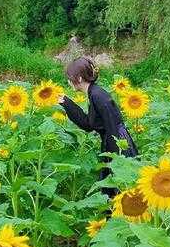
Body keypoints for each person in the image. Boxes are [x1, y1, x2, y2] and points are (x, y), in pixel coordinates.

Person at [56, 56, 137, 198]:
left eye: (70, 78)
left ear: (79, 78)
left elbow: (112, 126)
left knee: (121, 190)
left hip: (117, 144)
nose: (69, 82)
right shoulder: (93, 93)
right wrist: (67, 103)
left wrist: (115, 160)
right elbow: (89, 124)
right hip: (112, 142)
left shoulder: (98, 96)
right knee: (111, 191)